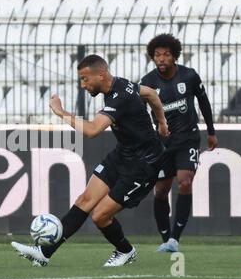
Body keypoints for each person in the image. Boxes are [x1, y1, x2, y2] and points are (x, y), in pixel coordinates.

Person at [11, 54, 169, 267]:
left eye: (86, 79)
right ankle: (44, 253)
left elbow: (93, 130)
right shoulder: (121, 85)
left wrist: (61, 112)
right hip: (123, 154)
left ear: (101, 75)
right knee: (84, 200)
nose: (83, 85)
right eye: (81, 80)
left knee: (100, 217)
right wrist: (161, 123)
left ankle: (126, 251)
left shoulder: (119, 97)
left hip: (143, 165)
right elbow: (150, 93)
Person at [140, 34, 218, 253]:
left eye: (166, 54)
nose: (161, 58)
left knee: (185, 182)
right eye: (157, 55)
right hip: (163, 144)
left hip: (188, 139)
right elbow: (139, 112)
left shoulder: (189, 76)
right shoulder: (147, 83)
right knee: (161, 190)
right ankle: (165, 239)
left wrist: (211, 132)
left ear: (174, 56)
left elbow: (203, 102)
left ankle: (175, 238)